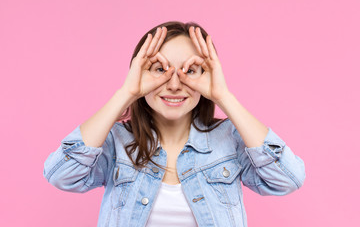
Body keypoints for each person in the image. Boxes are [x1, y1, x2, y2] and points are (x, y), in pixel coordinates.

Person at [43, 21, 306, 227]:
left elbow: (287, 179)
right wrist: (127, 92)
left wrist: (223, 96)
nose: (174, 84)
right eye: (161, 69)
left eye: (189, 71)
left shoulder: (230, 139)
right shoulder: (116, 141)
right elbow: (61, 175)